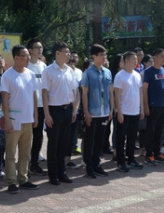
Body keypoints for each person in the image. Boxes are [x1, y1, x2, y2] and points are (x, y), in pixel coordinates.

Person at [0, 45, 40, 194]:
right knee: (11, 153)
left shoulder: (30, 74)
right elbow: (4, 99)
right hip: (14, 119)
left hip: (28, 120)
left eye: (28, 55)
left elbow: (34, 96)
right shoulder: (7, 75)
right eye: (25, 56)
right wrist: (7, 120)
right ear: (16, 58)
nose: (28, 58)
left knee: (25, 153)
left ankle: (23, 179)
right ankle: (11, 181)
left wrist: (35, 115)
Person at [42, 41, 79, 185]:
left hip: (67, 109)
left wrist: (74, 109)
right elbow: (44, 93)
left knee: (64, 143)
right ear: (57, 53)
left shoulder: (70, 71)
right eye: (66, 52)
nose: (69, 55)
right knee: (54, 144)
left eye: (69, 52)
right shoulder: (48, 71)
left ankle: (62, 172)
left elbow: (74, 91)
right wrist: (47, 114)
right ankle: (53, 174)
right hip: (54, 110)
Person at [81, 44, 113, 178]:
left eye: (105, 55)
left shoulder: (108, 72)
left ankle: (97, 164)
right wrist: (86, 112)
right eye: (101, 55)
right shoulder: (88, 73)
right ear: (94, 56)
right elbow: (84, 94)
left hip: (104, 112)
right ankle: (89, 167)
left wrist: (111, 109)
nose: (104, 57)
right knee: (90, 140)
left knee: (100, 140)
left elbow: (110, 92)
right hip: (93, 112)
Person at [113, 51, 145, 172]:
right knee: (121, 138)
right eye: (134, 59)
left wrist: (141, 108)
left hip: (135, 112)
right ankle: (121, 162)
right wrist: (119, 112)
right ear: (126, 61)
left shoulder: (137, 75)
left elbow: (140, 92)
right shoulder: (120, 76)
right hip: (124, 112)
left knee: (132, 137)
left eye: (136, 59)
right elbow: (117, 95)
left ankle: (131, 159)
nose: (136, 62)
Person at [142, 49, 164, 164]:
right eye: (161, 56)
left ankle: (157, 153)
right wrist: (146, 106)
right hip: (153, 105)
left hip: (162, 105)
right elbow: (144, 90)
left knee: (159, 130)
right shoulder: (148, 71)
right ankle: (149, 154)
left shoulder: (162, 70)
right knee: (151, 131)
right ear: (155, 57)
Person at [26, 39, 47, 176]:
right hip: (28, 106)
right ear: (30, 50)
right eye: (37, 47)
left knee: (38, 136)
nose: (40, 50)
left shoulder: (44, 66)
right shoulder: (26, 66)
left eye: (41, 47)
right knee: (26, 136)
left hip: (41, 106)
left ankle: (34, 163)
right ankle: (24, 163)